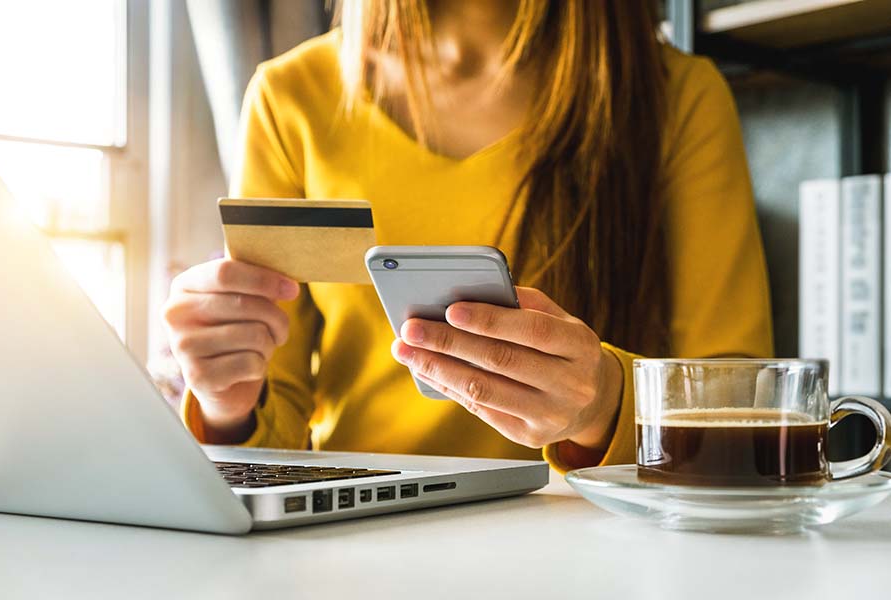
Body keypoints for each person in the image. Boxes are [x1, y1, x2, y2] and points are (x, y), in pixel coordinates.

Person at [162, 0, 773, 472]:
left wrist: (603, 403)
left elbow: (746, 408)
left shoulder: (679, 97)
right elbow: (275, 429)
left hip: (588, 541)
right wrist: (224, 402)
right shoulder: (289, 97)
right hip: (356, 545)